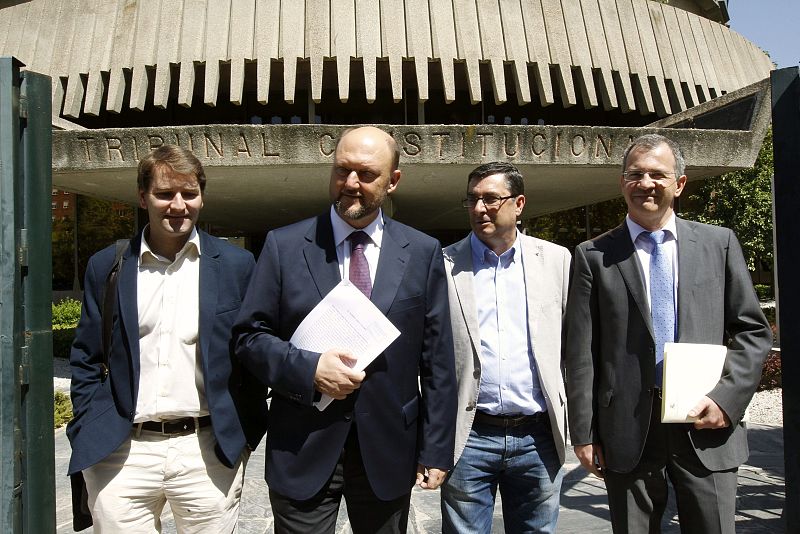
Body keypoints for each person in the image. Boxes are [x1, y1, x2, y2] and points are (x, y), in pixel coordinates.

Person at [232, 126, 457, 533]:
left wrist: (437, 448)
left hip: (388, 447)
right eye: (342, 170)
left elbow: (438, 358)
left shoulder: (423, 252)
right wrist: (309, 369)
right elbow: (249, 337)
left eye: (366, 174)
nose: (351, 183)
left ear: (393, 180)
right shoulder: (284, 246)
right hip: (302, 444)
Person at [565, 134, 772, 533]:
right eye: (635, 174)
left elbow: (752, 331)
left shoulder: (719, 244)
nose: (646, 183)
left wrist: (727, 399)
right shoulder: (593, 256)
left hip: (706, 423)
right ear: (622, 183)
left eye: (657, 174)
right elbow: (581, 353)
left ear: (679, 183)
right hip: (626, 430)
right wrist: (584, 433)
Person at [67, 145, 267, 532]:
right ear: (143, 198)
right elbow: (86, 356)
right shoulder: (107, 265)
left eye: (189, 193)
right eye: (164, 194)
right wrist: (87, 423)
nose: (178, 205)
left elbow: (252, 354)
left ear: (202, 197)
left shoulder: (237, 266)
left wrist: (243, 435)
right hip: (121, 455)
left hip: (206, 453)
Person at [440, 161, 570, 533]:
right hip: (469, 435)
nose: (480, 208)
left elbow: (574, 348)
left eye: (491, 199)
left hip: (538, 437)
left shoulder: (557, 261)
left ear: (519, 203)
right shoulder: (444, 265)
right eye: (472, 199)